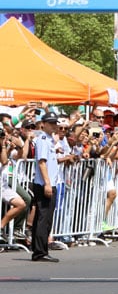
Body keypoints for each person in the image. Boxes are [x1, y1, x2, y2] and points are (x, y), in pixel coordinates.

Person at [31, 112, 62, 262]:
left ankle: (40, 249)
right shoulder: (43, 139)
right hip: (44, 184)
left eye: (55, 123)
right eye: (51, 123)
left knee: (45, 218)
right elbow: (42, 162)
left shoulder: (50, 140)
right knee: (44, 218)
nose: (54, 125)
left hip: (49, 182)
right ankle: (40, 251)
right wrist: (47, 183)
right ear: (43, 124)